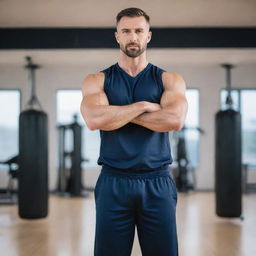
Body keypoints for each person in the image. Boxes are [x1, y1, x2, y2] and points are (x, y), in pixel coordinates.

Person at [80, 7, 188, 256]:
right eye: (126, 31)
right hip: (113, 182)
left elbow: (174, 118)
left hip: (157, 181)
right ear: (117, 36)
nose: (133, 37)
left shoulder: (169, 80)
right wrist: (142, 106)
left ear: (148, 36)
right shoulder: (96, 80)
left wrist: (117, 115)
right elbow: (95, 119)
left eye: (139, 31)